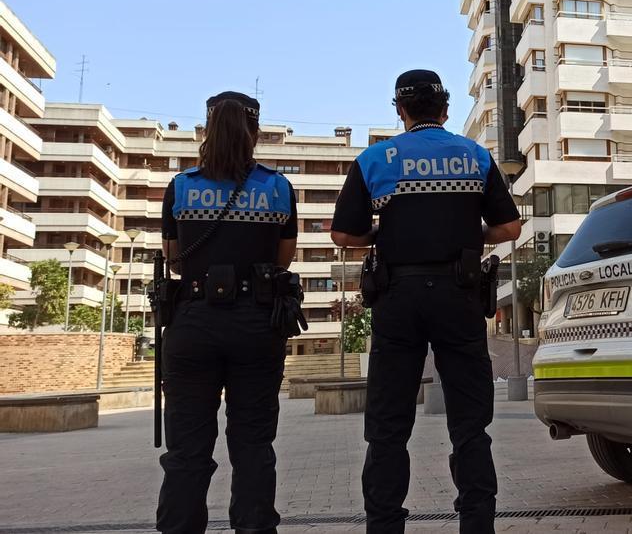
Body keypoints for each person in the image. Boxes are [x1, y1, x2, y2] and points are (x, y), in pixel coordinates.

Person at [331, 69, 521, 533]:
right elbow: (509, 228)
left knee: (387, 426)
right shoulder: (474, 155)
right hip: (458, 295)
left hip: (398, 297)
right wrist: (469, 234)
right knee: (470, 424)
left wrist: (382, 232)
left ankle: (385, 524)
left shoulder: (376, 159)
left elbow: (343, 234)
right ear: (446, 109)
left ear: (400, 110)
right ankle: (477, 524)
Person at [156, 91, 303, 534]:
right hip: (257, 324)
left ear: (206, 130)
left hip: (193, 323)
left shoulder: (181, 186)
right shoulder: (277, 187)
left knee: (186, 450)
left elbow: (175, 259)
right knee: (254, 444)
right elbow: (284, 259)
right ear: (255, 133)